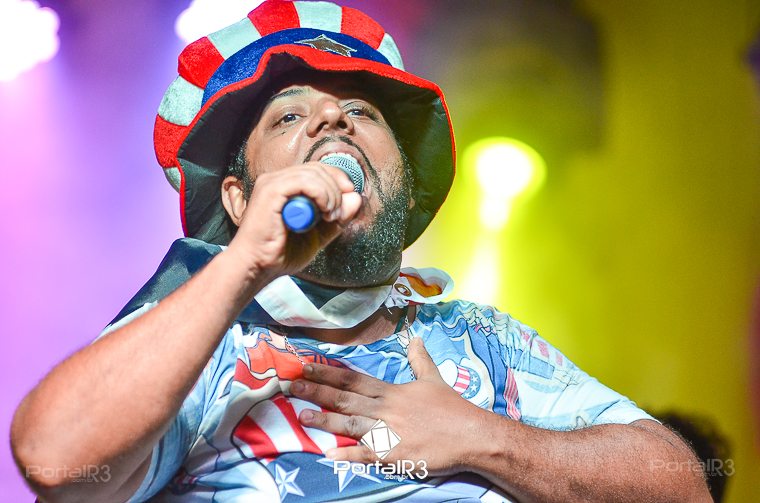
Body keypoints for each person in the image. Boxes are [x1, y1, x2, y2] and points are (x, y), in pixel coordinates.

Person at [11, 1, 711, 501]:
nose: (332, 118)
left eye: (363, 112)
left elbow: (683, 485)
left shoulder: (481, 338)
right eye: (289, 114)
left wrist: (482, 438)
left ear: (402, 183)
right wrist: (245, 263)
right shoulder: (199, 346)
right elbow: (52, 460)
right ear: (238, 199)